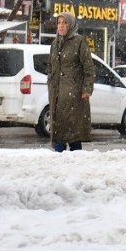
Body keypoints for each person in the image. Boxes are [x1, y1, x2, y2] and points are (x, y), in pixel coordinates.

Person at [48, 11, 94, 152]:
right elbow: (51, 68)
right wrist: (51, 84)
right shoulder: (55, 44)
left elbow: (89, 68)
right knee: (59, 131)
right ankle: (59, 161)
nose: (61, 26)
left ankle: (75, 162)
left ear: (71, 25)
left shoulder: (79, 42)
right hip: (57, 95)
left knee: (73, 134)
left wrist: (86, 89)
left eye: (64, 23)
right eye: (59, 23)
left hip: (74, 96)